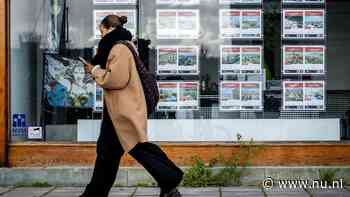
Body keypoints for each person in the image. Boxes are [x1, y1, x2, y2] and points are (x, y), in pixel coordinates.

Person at [79, 15, 183, 197]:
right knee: (107, 154)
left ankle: (170, 179)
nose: (101, 36)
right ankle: (94, 194)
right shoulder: (124, 44)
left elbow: (116, 79)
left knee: (137, 149)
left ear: (108, 28)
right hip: (117, 111)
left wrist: (94, 70)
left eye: (101, 31)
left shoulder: (119, 48)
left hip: (122, 111)